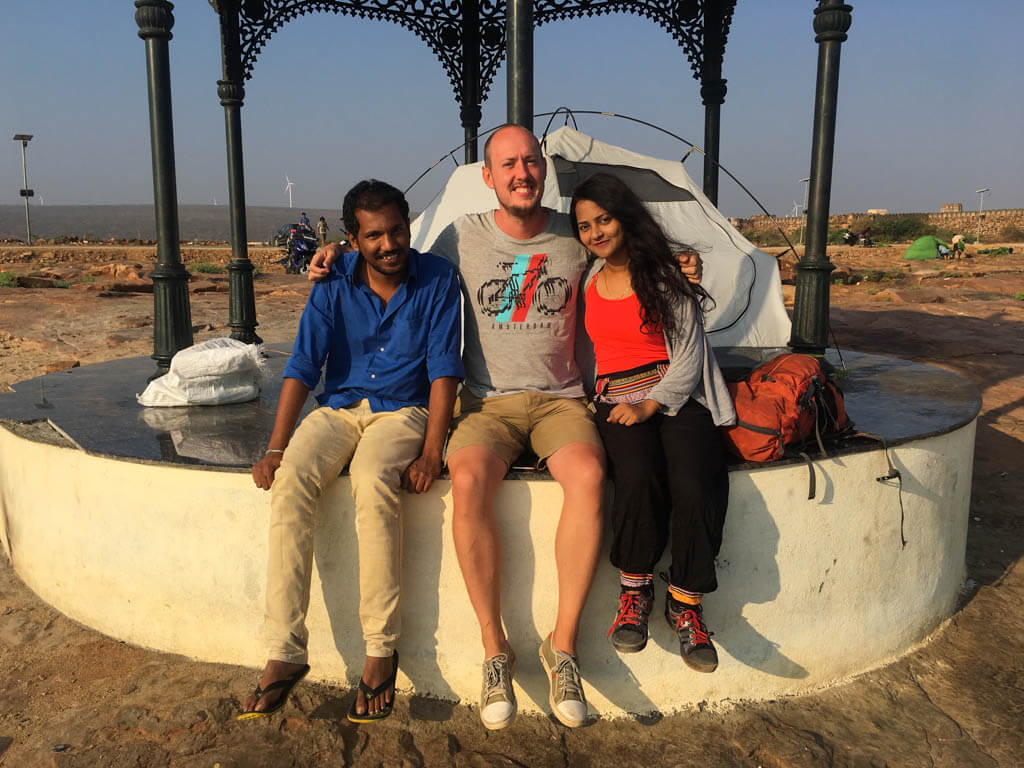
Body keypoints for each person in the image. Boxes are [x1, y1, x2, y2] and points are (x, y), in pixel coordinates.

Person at [309, 124, 702, 730]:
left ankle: (562, 646)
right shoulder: (459, 238)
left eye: (531, 161)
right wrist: (337, 256)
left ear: (543, 169)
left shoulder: (574, 236)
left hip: (561, 401)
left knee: (591, 476)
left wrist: (679, 261)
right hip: (486, 404)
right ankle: (496, 651)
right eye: (507, 164)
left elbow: (628, 254)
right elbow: (390, 261)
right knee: (466, 482)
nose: (522, 172)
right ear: (487, 177)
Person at [239, 180, 463, 724]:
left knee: (371, 478)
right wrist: (275, 446)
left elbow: (443, 371)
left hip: (402, 411)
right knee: (291, 480)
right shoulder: (332, 280)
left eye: (397, 230)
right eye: (374, 235)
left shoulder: (437, 278)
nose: (389, 244)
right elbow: (301, 365)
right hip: (339, 407)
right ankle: (284, 652)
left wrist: (432, 451)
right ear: (352, 239)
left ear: (409, 226)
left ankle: (381, 649)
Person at [571, 172, 735, 674]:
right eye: (584, 226)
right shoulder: (587, 280)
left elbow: (688, 355)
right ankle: (635, 590)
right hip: (616, 398)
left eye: (604, 220)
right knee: (637, 475)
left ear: (626, 218)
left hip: (676, 394)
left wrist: (651, 404)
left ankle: (686, 603)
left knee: (695, 479)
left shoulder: (663, 275)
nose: (596, 232)